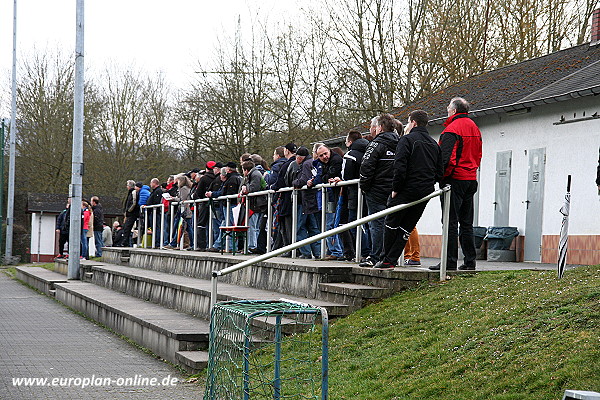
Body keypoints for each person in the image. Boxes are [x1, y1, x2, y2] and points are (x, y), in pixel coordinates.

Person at [375, 110, 443, 268]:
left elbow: (399, 167)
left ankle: (386, 259)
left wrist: (395, 189)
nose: (406, 126)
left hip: (406, 189)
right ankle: (391, 259)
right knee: (406, 227)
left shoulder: (407, 140)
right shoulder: (434, 144)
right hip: (425, 192)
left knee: (391, 222)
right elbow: (440, 172)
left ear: (413, 123)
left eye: (407, 122)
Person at [430, 97, 482, 271]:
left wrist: (441, 178)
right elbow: (478, 154)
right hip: (470, 178)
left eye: (448, 108)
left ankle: (449, 261)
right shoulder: (475, 128)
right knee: (467, 223)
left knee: (450, 222)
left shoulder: (451, 130)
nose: (446, 110)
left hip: (455, 180)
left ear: (453, 111)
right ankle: (470, 262)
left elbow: (447, 159)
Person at [358, 114, 400, 267]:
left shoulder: (376, 144)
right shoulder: (401, 143)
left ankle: (375, 257)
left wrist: (365, 187)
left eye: (372, 126)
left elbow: (366, 167)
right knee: (392, 223)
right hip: (395, 190)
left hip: (376, 191)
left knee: (377, 224)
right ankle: (388, 257)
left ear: (380, 127)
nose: (371, 129)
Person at [340, 129, 371, 262]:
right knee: (370, 223)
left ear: (350, 141)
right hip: (369, 192)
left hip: (354, 194)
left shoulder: (350, 155)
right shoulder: (370, 150)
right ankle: (371, 252)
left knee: (353, 223)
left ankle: (364, 251)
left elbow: (345, 176)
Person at [316, 144, 344, 261]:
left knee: (331, 224)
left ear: (329, 151)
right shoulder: (323, 163)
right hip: (332, 196)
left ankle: (337, 251)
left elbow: (328, 176)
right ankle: (334, 250)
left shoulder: (336, 160)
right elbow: (322, 177)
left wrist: (323, 177)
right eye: (321, 156)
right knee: (329, 224)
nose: (324, 157)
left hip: (336, 196)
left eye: (325, 154)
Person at [292, 147, 321, 259]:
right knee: (314, 227)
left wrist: (294, 182)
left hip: (306, 201)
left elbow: (303, 180)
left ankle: (306, 252)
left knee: (300, 227)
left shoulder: (305, 165)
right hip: (312, 200)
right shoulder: (312, 162)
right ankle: (318, 252)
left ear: (299, 157)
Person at [240, 160, 268, 253]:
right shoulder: (254, 174)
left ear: (246, 170)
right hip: (256, 203)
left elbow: (253, 188)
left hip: (256, 205)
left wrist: (245, 188)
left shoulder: (255, 175)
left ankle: (252, 246)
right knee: (253, 226)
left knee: (252, 226)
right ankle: (251, 245)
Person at [122, 180, 139, 247]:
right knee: (126, 228)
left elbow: (133, 203)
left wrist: (128, 211)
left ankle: (126, 242)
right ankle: (125, 242)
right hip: (130, 213)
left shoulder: (133, 192)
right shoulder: (130, 193)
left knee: (127, 228)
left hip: (131, 214)